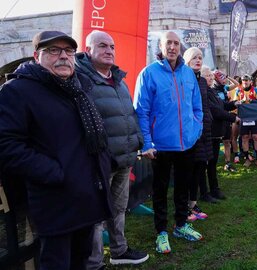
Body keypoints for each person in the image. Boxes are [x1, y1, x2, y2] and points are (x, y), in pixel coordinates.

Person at [0, 31, 112, 269]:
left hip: (87, 197)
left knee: (81, 260)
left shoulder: (78, 88)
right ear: (36, 56)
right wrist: (54, 173)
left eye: (69, 51)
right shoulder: (17, 91)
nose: (63, 56)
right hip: (55, 202)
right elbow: (6, 146)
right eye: (53, 50)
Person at [74, 30, 149, 268]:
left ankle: (119, 250)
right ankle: (94, 263)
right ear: (89, 50)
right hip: (99, 163)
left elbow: (130, 114)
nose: (109, 50)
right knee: (96, 215)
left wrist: (138, 140)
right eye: (103, 46)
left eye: (112, 46)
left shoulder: (119, 80)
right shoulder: (79, 80)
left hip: (124, 159)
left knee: (118, 209)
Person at [135, 31, 203, 255]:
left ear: (180, 47)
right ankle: (161, 231)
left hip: (187, 144)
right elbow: (141, 112)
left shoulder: (188, 73)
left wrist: (196, 129)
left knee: (183, 187)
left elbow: (196, 106)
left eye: (176, 43)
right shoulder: (149, 73)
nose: (172, 47)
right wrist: (147, 143)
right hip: (161, 147)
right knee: (160, 190)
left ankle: (181, 225)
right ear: (161, 46)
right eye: (168, 43)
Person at [182, 47, 216, 212]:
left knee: (200, 166)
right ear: (188, 60)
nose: (198, 60)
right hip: (189, 130)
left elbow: (205, 105)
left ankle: (193, 203)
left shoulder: (202, 81)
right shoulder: (182, 78)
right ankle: (185, 206)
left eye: (200, 57)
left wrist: (207, 120)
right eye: (194, 57)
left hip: (204, 130)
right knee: (188, 169)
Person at [205, 66, 240, 200]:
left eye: (211, 76)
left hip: (215, 132)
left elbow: (222, 105)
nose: (211, 78)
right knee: (208, 163)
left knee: (212, 163)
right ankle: (206, 192)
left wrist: (234, 104)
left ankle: (213, 189)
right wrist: (233, 117)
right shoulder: (208, 91)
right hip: (210, 132)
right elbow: (216, 111)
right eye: (208, 76)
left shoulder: (212, 92)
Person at [233, 75, 257, 167]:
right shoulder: (238, 90)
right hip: (243, 117)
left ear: (251, 81)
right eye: (243, 81)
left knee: (256, 137)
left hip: (254, 117)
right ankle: (247, 159)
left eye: (247, 80)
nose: (245, 82)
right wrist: (241, 101)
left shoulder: (255, 90)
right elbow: (234, 103)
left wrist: (250, 100)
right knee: (245, 137)